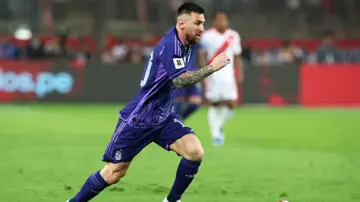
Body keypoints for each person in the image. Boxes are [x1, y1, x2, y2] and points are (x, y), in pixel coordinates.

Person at [66, 2, 230, 202]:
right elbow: (179, 80)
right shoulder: (171, 45)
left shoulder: (187, 44)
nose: (202, 29)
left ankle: (172, 200)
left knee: (194, 152)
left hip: (163, 117)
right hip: (139, 118)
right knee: (114, 172)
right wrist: (212, 67)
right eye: (197, 23)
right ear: (181, 24)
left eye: (203, 23)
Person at [200, 10, 244, 146]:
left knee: (231, 104)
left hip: (228, 75)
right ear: (213, 21)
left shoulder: (234, 36)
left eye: (223, 19)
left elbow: (237, 56)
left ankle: (218, 126)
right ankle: (215, 134)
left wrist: (240, 73)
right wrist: (203, 74)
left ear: (228, 21)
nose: (221, 22)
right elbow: (202, 55)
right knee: (214, 103)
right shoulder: (206, 36)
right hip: (213, 74)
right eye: (218, 19)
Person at [174, 46, 204, 120]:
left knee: (195, 104)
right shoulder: (173, 41)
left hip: (192, 75)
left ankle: (178, 121)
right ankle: (175, 123)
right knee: (178, 103)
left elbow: (200, 56)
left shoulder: (196, 41)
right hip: (178, 76)